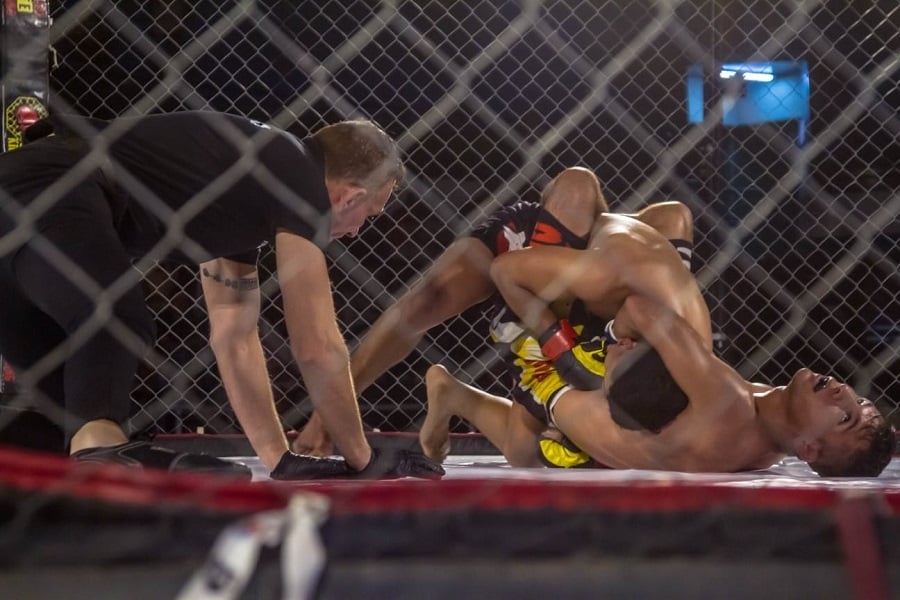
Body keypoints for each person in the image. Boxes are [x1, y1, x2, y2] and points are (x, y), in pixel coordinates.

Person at [0, 111, 443, 480]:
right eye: (370, 213)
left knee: (62, 408)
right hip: (47, 185)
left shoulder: (248, 187)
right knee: (113, 316)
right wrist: (363, 459)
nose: (357, 231)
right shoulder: (298, 177)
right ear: (350, 197)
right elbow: (317, 345)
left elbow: (234, 334)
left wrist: (280, 459)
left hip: (21, 206)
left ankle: (77, 462)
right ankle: (101, 456)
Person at [419, 213, 896, 476]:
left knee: (533, 448)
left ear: (808, 449)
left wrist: (607, 349)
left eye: (846, 417)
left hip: (564, 375)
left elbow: (644, 310)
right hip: (586, 416)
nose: (844, 393)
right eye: (858, 400)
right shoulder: (765, 436)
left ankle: (485, 373)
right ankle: (454, 393)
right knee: (526, 450)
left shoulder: (731, 408)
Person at [293, 166, 694, 456]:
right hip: (542, 264)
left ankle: (453, 394)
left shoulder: (648, 317)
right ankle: (327, 416)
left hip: (584, 325)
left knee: (529, 452)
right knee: (577, 184)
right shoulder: (636, 274)